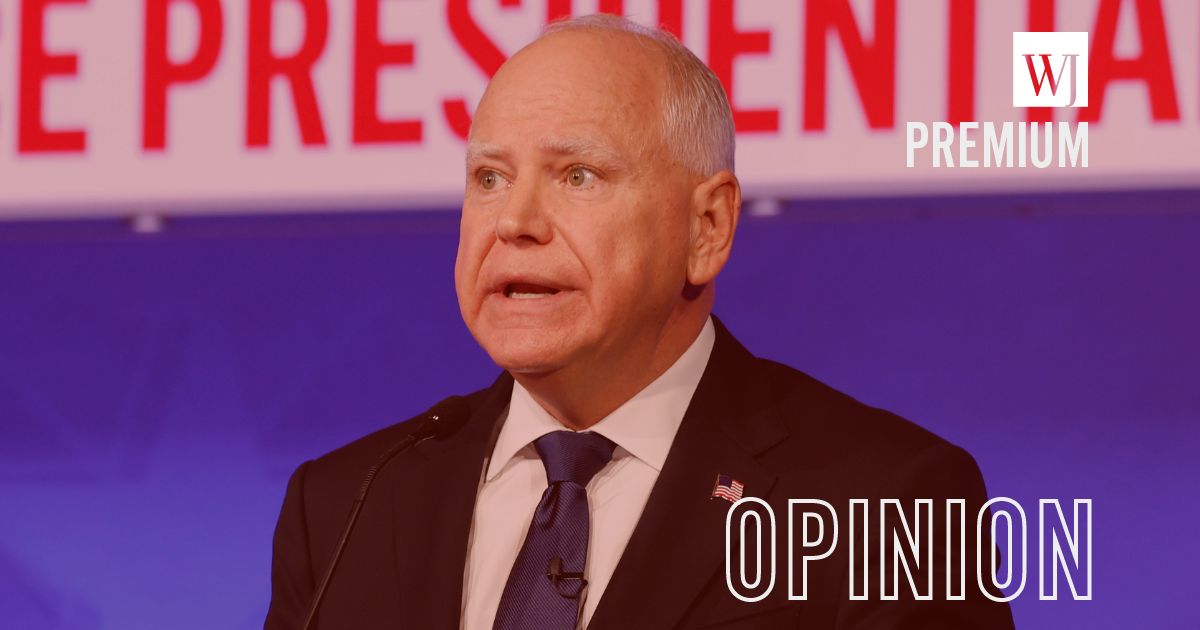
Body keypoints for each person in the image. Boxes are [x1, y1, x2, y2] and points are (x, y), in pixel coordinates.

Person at [265, 14, 1014, 630]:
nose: (514, 221)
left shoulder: (883, 508)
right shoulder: (343, 507)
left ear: (707, 229)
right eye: (489, 177)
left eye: (577, 176)